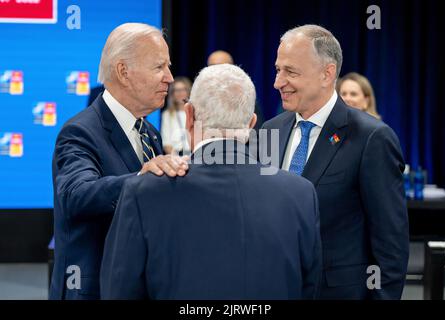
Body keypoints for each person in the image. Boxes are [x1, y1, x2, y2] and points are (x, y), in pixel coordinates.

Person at [100, 64, 322, 300]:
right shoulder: (301, 193)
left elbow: (118, 290)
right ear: (251, 123)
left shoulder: (142, 192)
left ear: (189, 115)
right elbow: (310, 289)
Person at [261, 25, 409, 299]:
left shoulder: (372, 138)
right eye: (278, 70)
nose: (278, 82)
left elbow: (391, 246)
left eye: (290, 72)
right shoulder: (270, 131)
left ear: (327, 74)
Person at [50, 23, 189, 300]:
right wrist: (141, 179)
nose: (170, 78)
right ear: (124, 72)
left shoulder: (150, 132)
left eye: (168, 67)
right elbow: (76, 195)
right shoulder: (80, 131)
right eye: (159, 67)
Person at [207, 50, 265, 129]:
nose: (216, 71)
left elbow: (256, 134)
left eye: (222, 67)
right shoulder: (198, 97)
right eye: (212, 67)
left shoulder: (245, 98)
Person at [160, 76, 192, 155]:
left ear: (188, 91)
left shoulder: (196, 112)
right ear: (172, 94)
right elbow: (166, 144)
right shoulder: (167, 114)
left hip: (196, 156)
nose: (180, 93)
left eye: (183, 89)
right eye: (176, 90)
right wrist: (179, 160)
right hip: (177, 157)